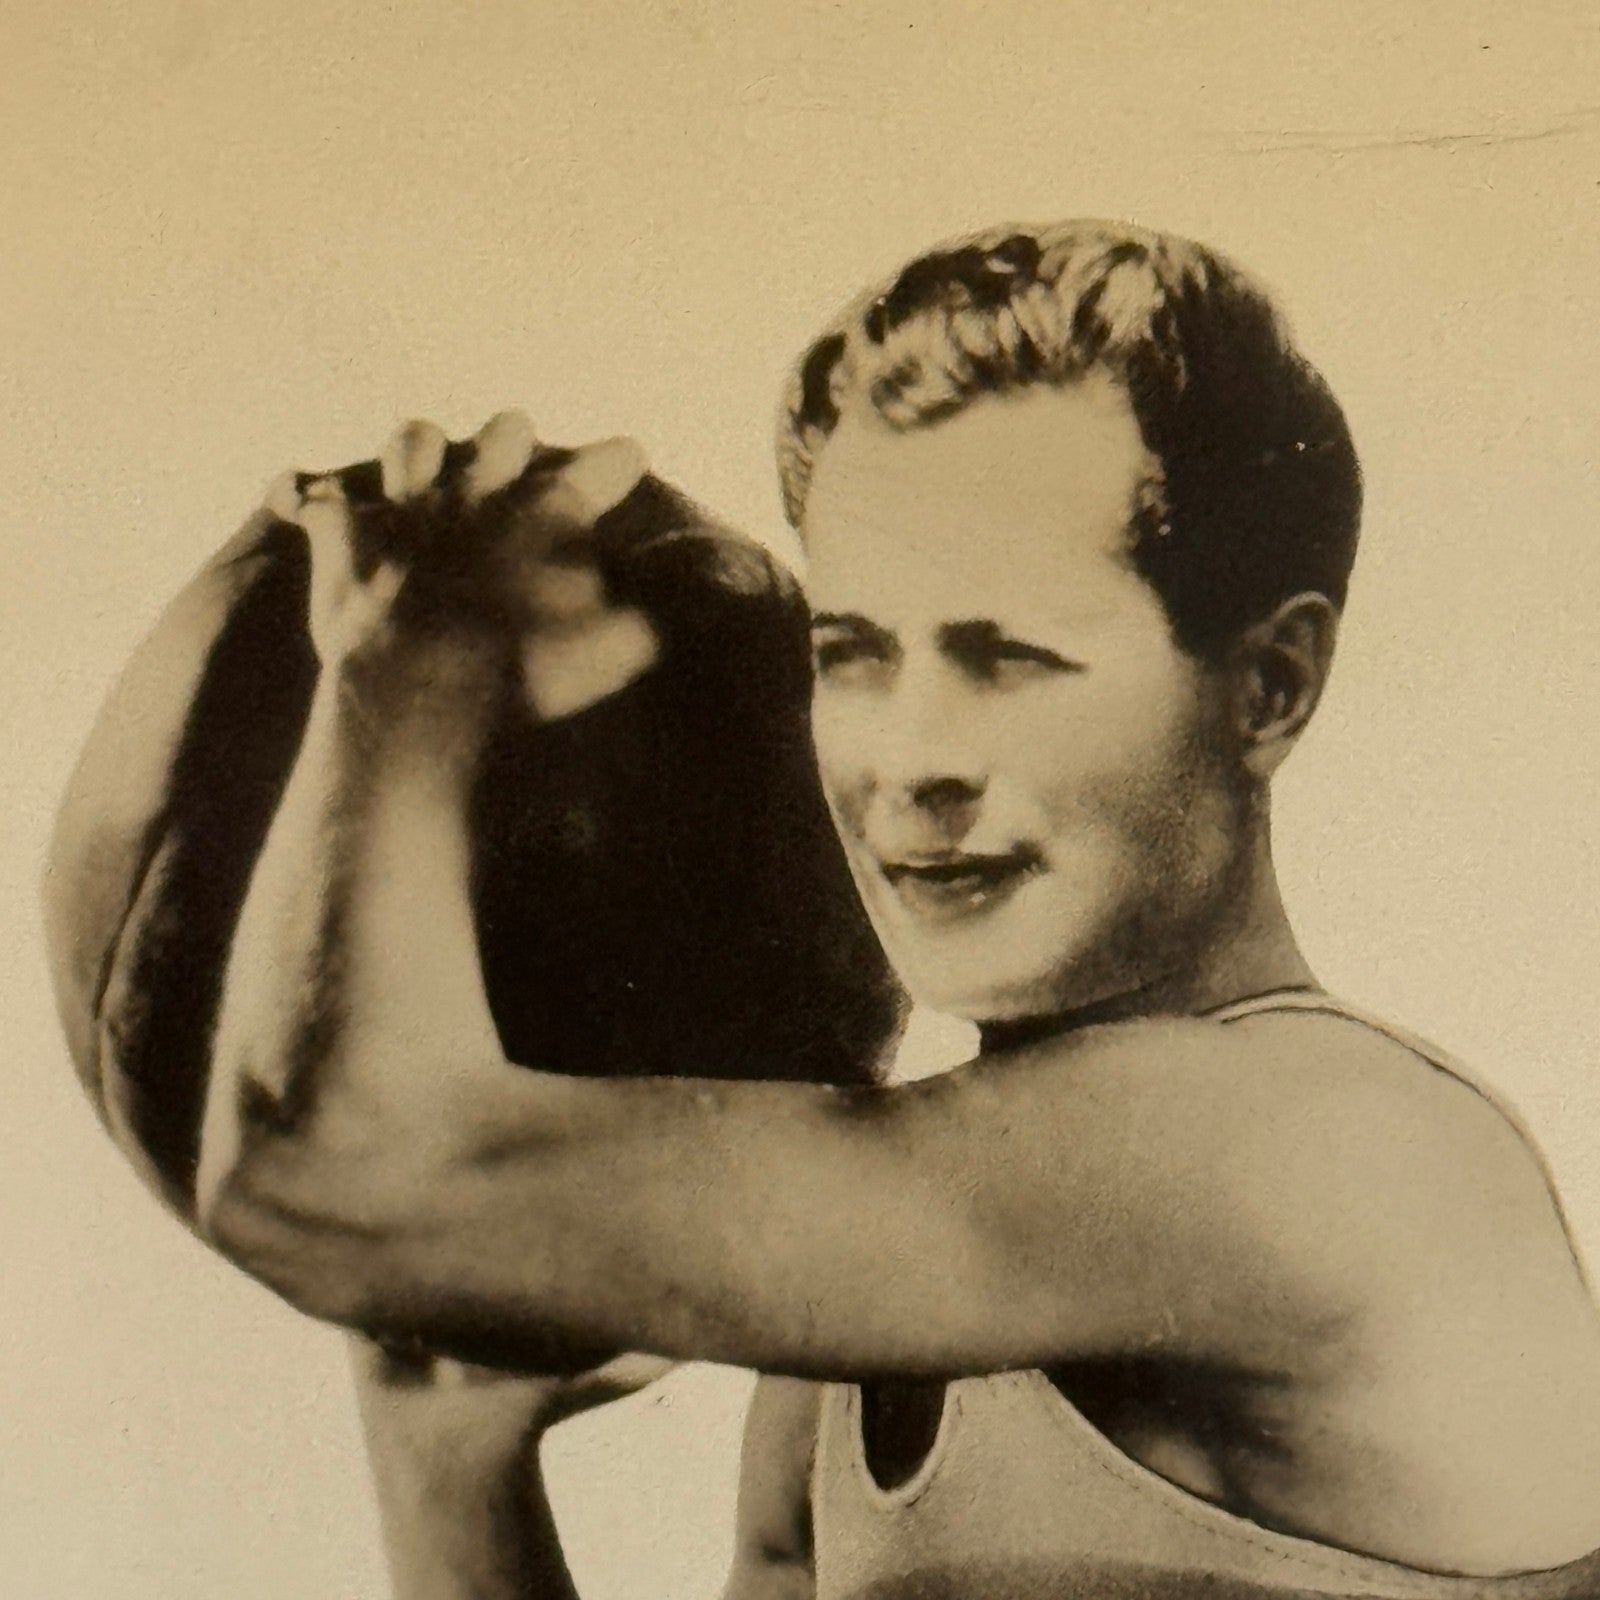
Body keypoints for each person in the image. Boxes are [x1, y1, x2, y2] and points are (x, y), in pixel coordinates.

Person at [193, 218, 1600, 1598]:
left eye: (1011, 656)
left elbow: (324, 1176)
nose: (912, 762)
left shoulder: (1325, 1148)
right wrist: (444, 1461)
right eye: (854, 655)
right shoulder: (878, 1311)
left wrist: (412, 659)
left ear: (1270, 685)